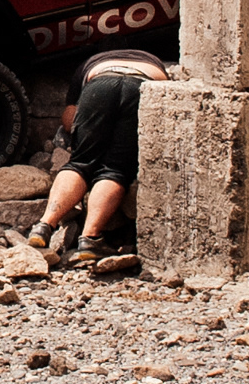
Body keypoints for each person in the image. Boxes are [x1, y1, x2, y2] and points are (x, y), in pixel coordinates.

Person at [27, 47, 170, 265]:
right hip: (142, 84)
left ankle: (44, 226)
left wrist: (84, 135)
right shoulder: (153, 59)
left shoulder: (91, 62)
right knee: (115, 170)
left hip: (99, 85)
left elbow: (68, 119)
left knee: (79, 163)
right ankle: (90, 239)